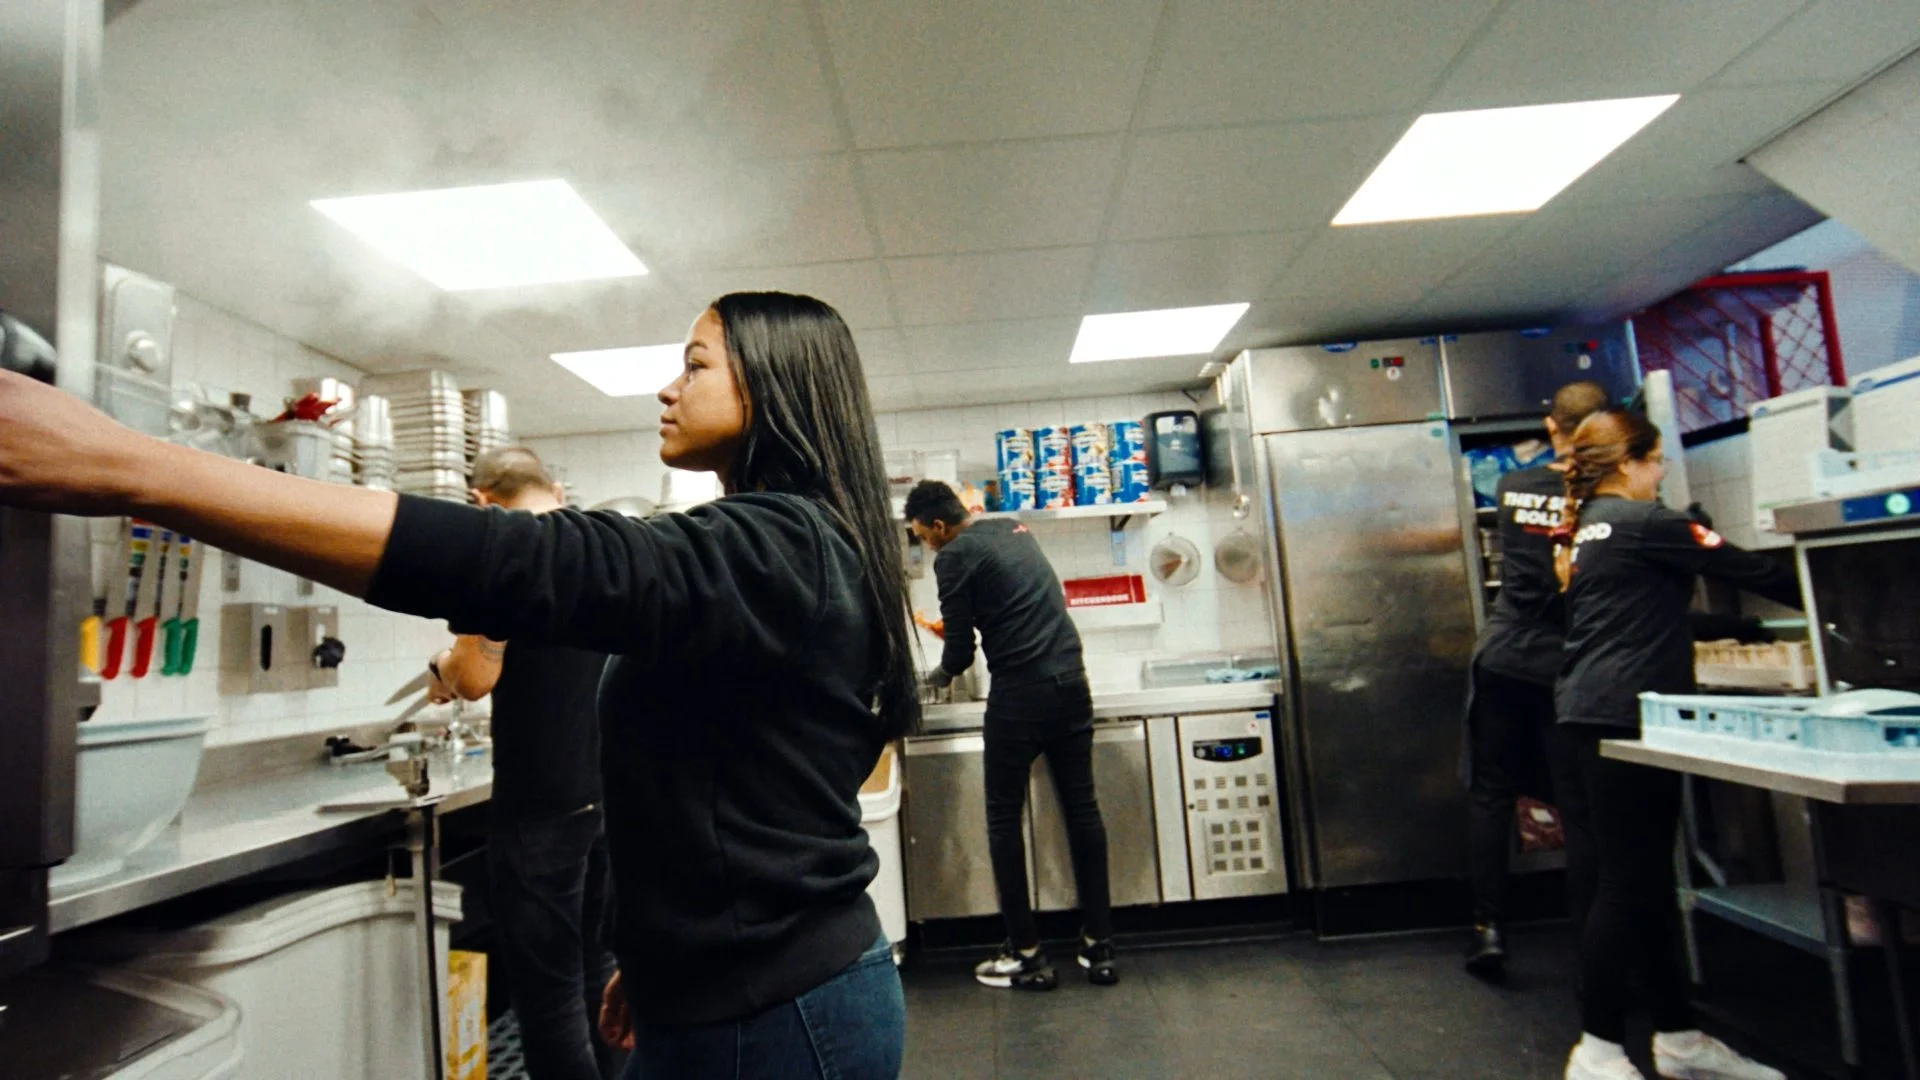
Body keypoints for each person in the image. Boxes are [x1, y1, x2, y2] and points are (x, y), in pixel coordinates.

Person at [0, 292, 915, 1080]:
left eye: (695, 364)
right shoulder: (790, 549)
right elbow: (751, 798)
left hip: (779, 1013)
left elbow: (521, 563)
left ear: (774, 384)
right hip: (727, 989)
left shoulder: (784, 544)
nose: (668, 388)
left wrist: (132, 468)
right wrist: (653, 960)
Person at [1551, 408, 1801, 1080]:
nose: (1661, 473)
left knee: (1643, 882)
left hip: (1587, 712)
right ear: (1628, 462)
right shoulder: (1648, 522)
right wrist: (1832, 589)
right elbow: (1757, 572)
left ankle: (1679, 1039)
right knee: (1627, 886)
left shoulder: (1589, 528)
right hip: (1624, 716)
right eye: (1656, 460)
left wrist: (1743, 632)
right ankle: (1597, 1052)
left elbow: (1647, 616)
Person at [423, 446, 621, 1080]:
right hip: (606, 795)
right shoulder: (597, 544)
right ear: (554, 489)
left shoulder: (499, 553)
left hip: (540, 804)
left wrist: (442, 669)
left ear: (481, 500)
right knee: (600, 974)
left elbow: (476, 676)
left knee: (550, 998)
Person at [904, 479, 1117, 991]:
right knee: (1083, 811)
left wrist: (929, 679)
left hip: (1021, 696)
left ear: (939, 525)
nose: (927, 546)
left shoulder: (953, 557)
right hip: (1073, 682)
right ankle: (1099, 946)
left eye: (924, 537)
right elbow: (1014, 603)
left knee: (1003, 818)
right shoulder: (1013, 529)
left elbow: (960, 655)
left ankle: (1027, 954)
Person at [1463, 380, 1609, 976]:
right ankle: (1593, 942)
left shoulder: (1511, 484)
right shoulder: (1606, 500)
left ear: (1553, 426)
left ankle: (1489, 931)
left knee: (1492, 793)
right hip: (1564, 666)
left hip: (1503, 657)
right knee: (1578, 804)